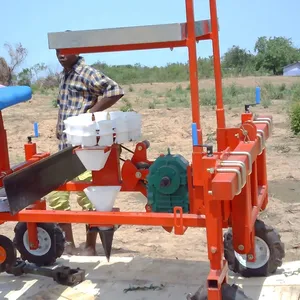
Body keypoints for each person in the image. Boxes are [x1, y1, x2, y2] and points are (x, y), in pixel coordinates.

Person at [47, 50, 124, 256]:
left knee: (90, 196)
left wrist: (91, 114)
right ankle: (68, 244)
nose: (61, 55)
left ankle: (90, 246)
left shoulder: (85, 72)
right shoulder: (65, 74)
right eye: (57, 52)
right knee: (58, 197)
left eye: (65, 51)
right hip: (65, 146)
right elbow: (67, 107)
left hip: (84, 146)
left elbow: (114, 90)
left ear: (76, 51)